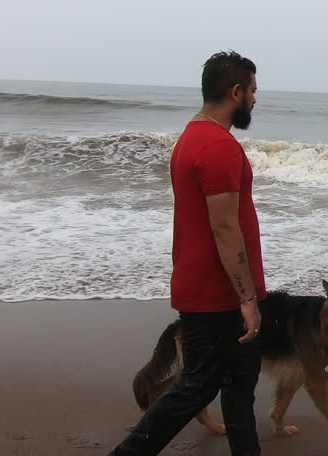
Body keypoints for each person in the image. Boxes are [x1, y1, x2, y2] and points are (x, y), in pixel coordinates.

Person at [109, 51, 265, 456]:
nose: (254, 100)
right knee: (197, 388)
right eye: (251, 91)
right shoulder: (218, 146)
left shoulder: (191, 137)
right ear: (234, 92)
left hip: (208, 287)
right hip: (219, 294)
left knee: (237, 388)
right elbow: (224, 227)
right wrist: (247, 298)